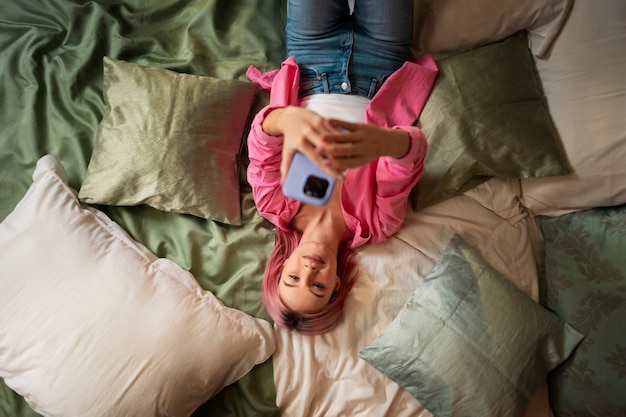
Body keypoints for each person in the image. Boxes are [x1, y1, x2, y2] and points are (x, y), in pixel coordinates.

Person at [246, 0, 438, 335]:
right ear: (336, 284)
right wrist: (384, 143)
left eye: (293, 278)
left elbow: (262, 140)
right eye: (317, 287)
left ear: (282, 266)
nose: (309, 270)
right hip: (381, 67)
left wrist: (288, 119)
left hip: (311, 59)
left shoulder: (274, 206)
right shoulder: (376, 224)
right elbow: (413, 153)